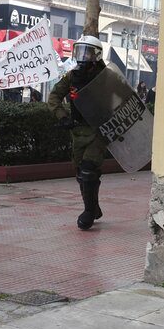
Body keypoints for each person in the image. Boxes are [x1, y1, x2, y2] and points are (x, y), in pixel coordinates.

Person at [48, 35, 109, 230]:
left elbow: (120, 98)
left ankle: (89, 212)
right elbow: (54, 96)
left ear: (97, 55)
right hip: (78, 130)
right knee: (80, 174)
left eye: (88, 52)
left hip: (98, 131)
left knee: (89, 169)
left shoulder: (107, 77)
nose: (83, 56)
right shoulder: (72, 76)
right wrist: (63, 117)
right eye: (80, 51)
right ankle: (93, 206)